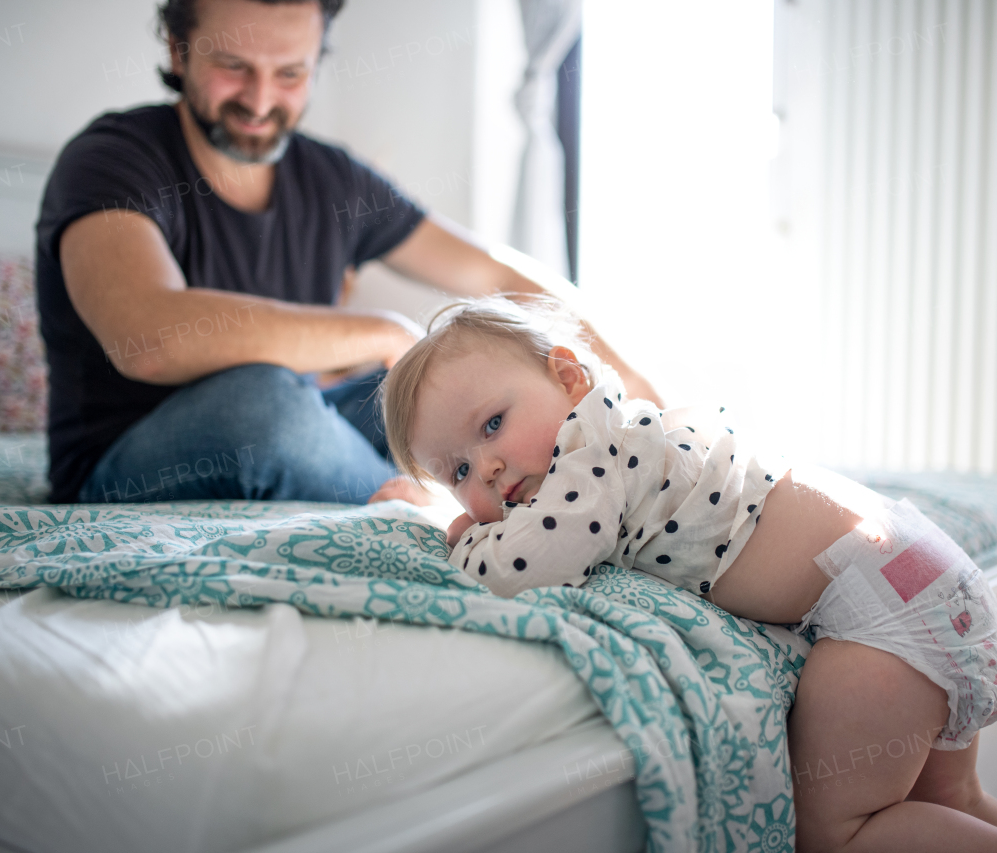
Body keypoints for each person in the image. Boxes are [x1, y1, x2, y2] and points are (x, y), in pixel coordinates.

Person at [380, 297, 997, 853]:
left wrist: (465, 537)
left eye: (493, 424)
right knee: (954, 797)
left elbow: (528, 564)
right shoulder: (624, 440)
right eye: (458, 472)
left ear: (569, 379)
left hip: (886, 614)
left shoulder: (597, 452)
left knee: (836, 831)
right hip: (930, 576)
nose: (488, 468)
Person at [34, 0, 655, 505]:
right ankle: (437, 511)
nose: (259, 101)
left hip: (295, 408)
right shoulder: (111, 159)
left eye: (290, 74)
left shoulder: (331, 178)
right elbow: (147, 336)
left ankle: (583, 488)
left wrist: (633, 388)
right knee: (264, 404)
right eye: (232, 66)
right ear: (178, 50)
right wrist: (382, 332)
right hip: (125, 458)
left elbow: (492, 271)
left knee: (436, 397)